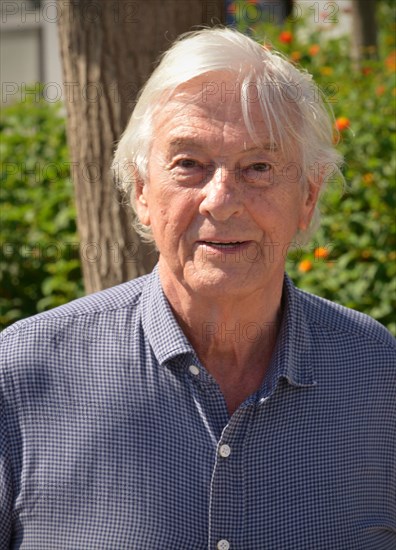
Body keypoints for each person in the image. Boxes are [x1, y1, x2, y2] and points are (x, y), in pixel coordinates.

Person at [1, 28, 395, 550]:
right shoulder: (21, 376)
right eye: (189, 163)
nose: (221, 200)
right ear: (142, 191)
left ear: (308, 196)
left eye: (259, 167)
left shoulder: (376, 375)